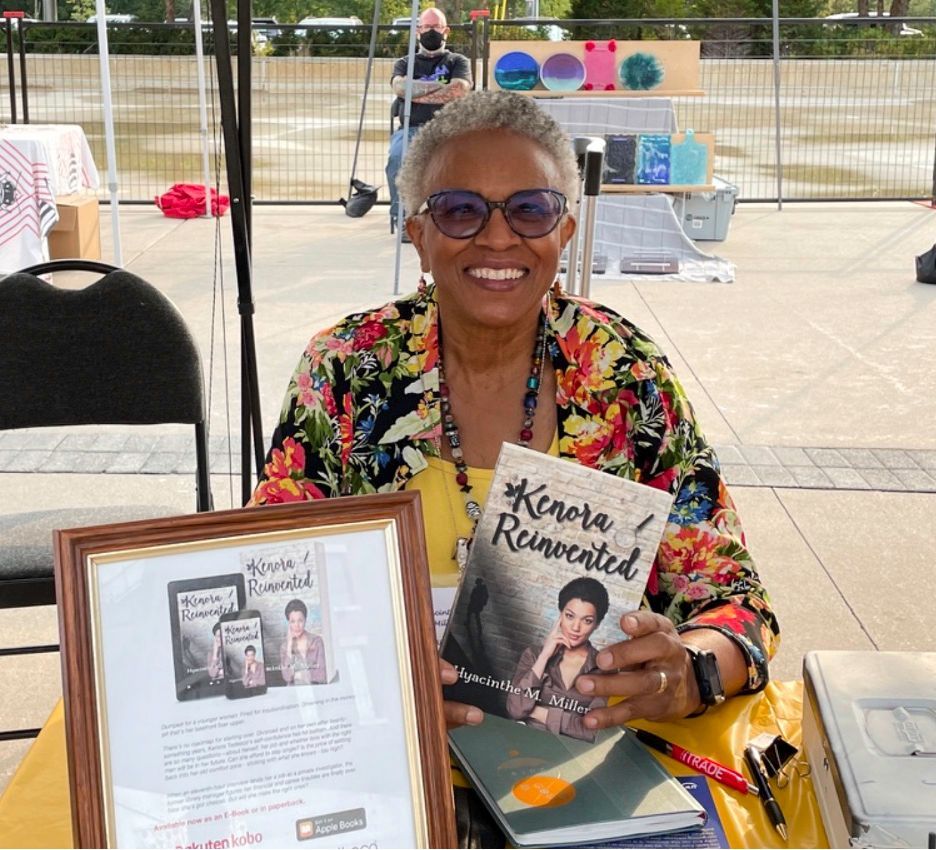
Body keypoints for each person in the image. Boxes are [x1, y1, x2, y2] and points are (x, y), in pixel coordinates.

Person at [251, 90, 780, 731]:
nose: (498, 237)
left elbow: (733, 600)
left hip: (587, 752)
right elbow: (270, 582)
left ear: (565, 232)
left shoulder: (626, 374)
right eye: (460, 209)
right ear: (418, 235)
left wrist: (688, 671)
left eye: (530, 209)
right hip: (384, 742)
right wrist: (369, 677)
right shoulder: (344, 369)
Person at [386, 7, 471, 233]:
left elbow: (459, 90)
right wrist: (441, 88)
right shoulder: (405, 62)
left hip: (449, 130)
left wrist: (416, 92)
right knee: (396, 159)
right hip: (412, 128)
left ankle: (455, 216)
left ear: (446, 31)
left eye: (436, 27)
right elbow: (399, 87)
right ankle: (403, 217)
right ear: (417, 31)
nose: (431, 31)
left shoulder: (457, 61)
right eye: (426, 27)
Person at [506, 577, 609, 742]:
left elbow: (592, 732)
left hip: (571, 755)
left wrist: (539, 712)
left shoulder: (603, 670)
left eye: (587, 621)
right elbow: (515, 709)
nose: (576, 628)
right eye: (569, 616)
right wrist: (544, 656)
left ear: (597, 624)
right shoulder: (533, 655)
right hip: (523, 742)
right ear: (560, 614)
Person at [280, 598, 327, 685]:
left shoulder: (316, 641)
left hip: (315, 690)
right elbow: (287, 677)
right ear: (288, 622)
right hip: (293, 693)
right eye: (292, 621)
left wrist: (299, 675)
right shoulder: (284, 646)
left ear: (305, 620)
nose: (297, 625)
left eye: (300, 620)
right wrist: (290, 645)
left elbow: (321, 676)